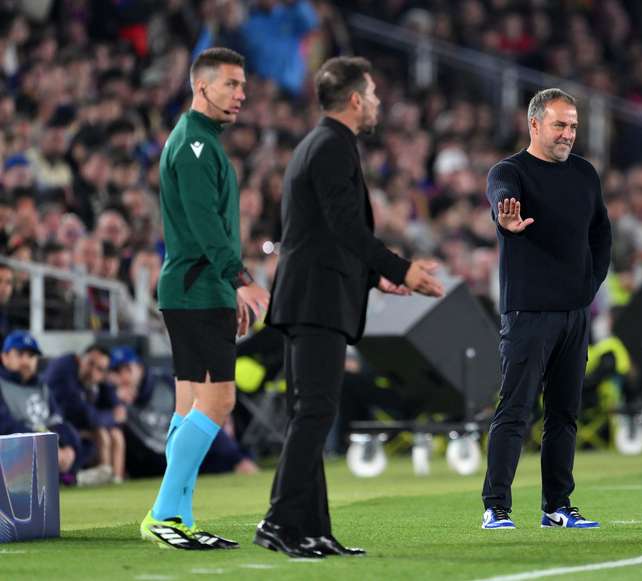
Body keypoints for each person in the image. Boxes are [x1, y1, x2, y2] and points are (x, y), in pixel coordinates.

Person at [253, 56, 444, 559]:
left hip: (310, 295)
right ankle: (279, 520)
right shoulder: (333, 148)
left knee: (308, 414)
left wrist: (376, 277)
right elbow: (346, 229)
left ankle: (311, 529)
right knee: (314, 413)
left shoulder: (319, 145)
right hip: (316, 301)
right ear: (356, 99)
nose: (378, 103)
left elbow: (323, 236)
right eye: (375, 94)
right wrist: (402, 269)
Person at [140, 47, 270, 551]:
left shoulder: (197, 140)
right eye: (231, 85)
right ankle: (165, 513)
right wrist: (240, 279)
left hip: (193, 287)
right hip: (198, 289)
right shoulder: (195, 145)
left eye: (243, 86)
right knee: (219, 402)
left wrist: (226, 285)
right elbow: (205, 225)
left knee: (189, 405)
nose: (241, 94)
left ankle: (181, 516)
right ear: (202, 87)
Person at [480, 88, 611, 530]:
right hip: (528, 312)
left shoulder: (585, 174)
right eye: (560, 124)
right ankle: (496, 507)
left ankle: (558, 505)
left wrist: (588, 287)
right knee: (515, 410)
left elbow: (601, 236)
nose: (568, 134)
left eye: (573, 126)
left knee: (564, 415)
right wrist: (504, 218)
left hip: (574, 314)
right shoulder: (510, 171)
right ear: (534, 124)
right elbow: (500, 194)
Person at [109, 346, 257, 479]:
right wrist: (116, 402)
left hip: (193, 455)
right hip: (155, 467)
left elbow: (201, 418)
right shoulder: (111, 395)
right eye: (117, 371)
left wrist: (235, 457)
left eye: (127, 368)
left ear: (139, 367)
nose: (123, 375)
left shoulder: (165, 384)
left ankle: (238, 459)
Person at [0, 331, 83, 484]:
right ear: (4, 357)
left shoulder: (42, 386)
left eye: (31, 356)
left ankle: (69, 476)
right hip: (14, 451)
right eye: (20, 354)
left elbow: (57, 419)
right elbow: (7, 427)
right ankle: (72, 478)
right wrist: (46, 446)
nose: (26, 360)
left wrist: (68, 448)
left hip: (45, 444)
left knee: (75, 437)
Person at [44, 344, 126, 485]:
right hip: (56, 429)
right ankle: (99, 480)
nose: (93, 372)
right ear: (79, 359)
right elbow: (84, 414)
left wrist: (115, 405)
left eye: (100, 369)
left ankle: (116, 482)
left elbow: (118, 410)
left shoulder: (94, 380)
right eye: (90, 363)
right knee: (102, 435)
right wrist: (112, 416)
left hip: (74, 427)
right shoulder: (64, 369)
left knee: (116, 435)